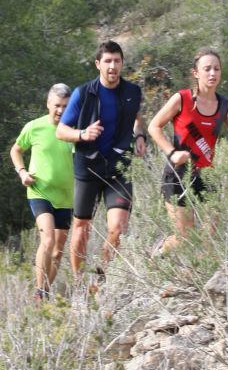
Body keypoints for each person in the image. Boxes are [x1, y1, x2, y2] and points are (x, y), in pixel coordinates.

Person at [56, 41, 146, 286]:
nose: (112, 66)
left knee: (118, 227)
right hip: (88, 166)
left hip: (118, 167)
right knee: (82, 226)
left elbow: (137, 119)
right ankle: (78, 282)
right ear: (98, 64)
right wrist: (83, 134)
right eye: (107, 61)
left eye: (117, 61)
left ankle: (100, 278)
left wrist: (139, 136)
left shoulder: (132, 92)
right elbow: (61, 131)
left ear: (122, 63)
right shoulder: (83, 93)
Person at [147, 47, 228, 253]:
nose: (212, 74)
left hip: (207, 175)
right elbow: (154, 126)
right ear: (196, 73)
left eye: (216, 69)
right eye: (207, 69)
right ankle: (158, 254)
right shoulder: (182, 99)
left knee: (210, 236)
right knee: (185, 238)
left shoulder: (225, 105)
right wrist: (172, 153)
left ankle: (195, 280)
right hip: (178, 174)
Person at [10, 83, 75, 301]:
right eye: (57, 105)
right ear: (48, 104)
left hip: (66, 197)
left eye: (66, 106)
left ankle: (46, 291)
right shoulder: (34, 127)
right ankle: (39, 293)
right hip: (40, 192)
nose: (61, 110)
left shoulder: (74, 130)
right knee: (47, 240)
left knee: (57, 251)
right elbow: (16, 150)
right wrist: (22, 172)